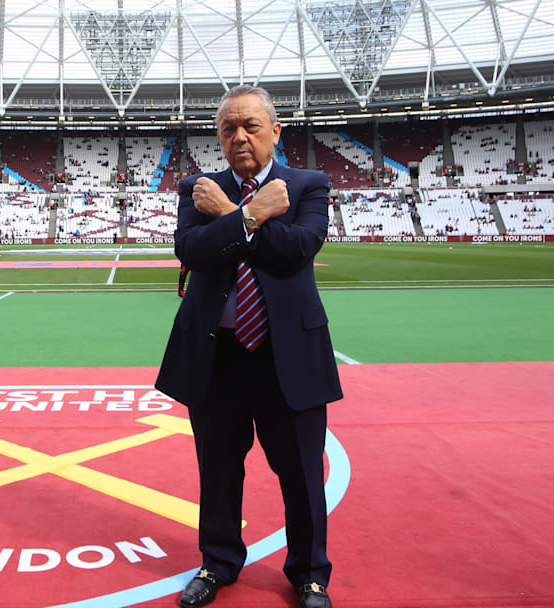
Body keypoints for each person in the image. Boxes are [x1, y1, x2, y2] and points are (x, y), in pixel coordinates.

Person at [155, 85, 343, 608]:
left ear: (275, 131)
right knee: (217, 469)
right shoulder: (198, 187)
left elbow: (297, 251)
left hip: (288, 356)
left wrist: (233, 218)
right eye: (228, 128)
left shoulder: (306, 184)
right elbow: (191, 250)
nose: (239, 137)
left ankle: (310, 575)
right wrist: (248, 215)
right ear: (219, 136)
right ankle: (217, 563)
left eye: (251, 126)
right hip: (219, 356)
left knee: (303, 473)